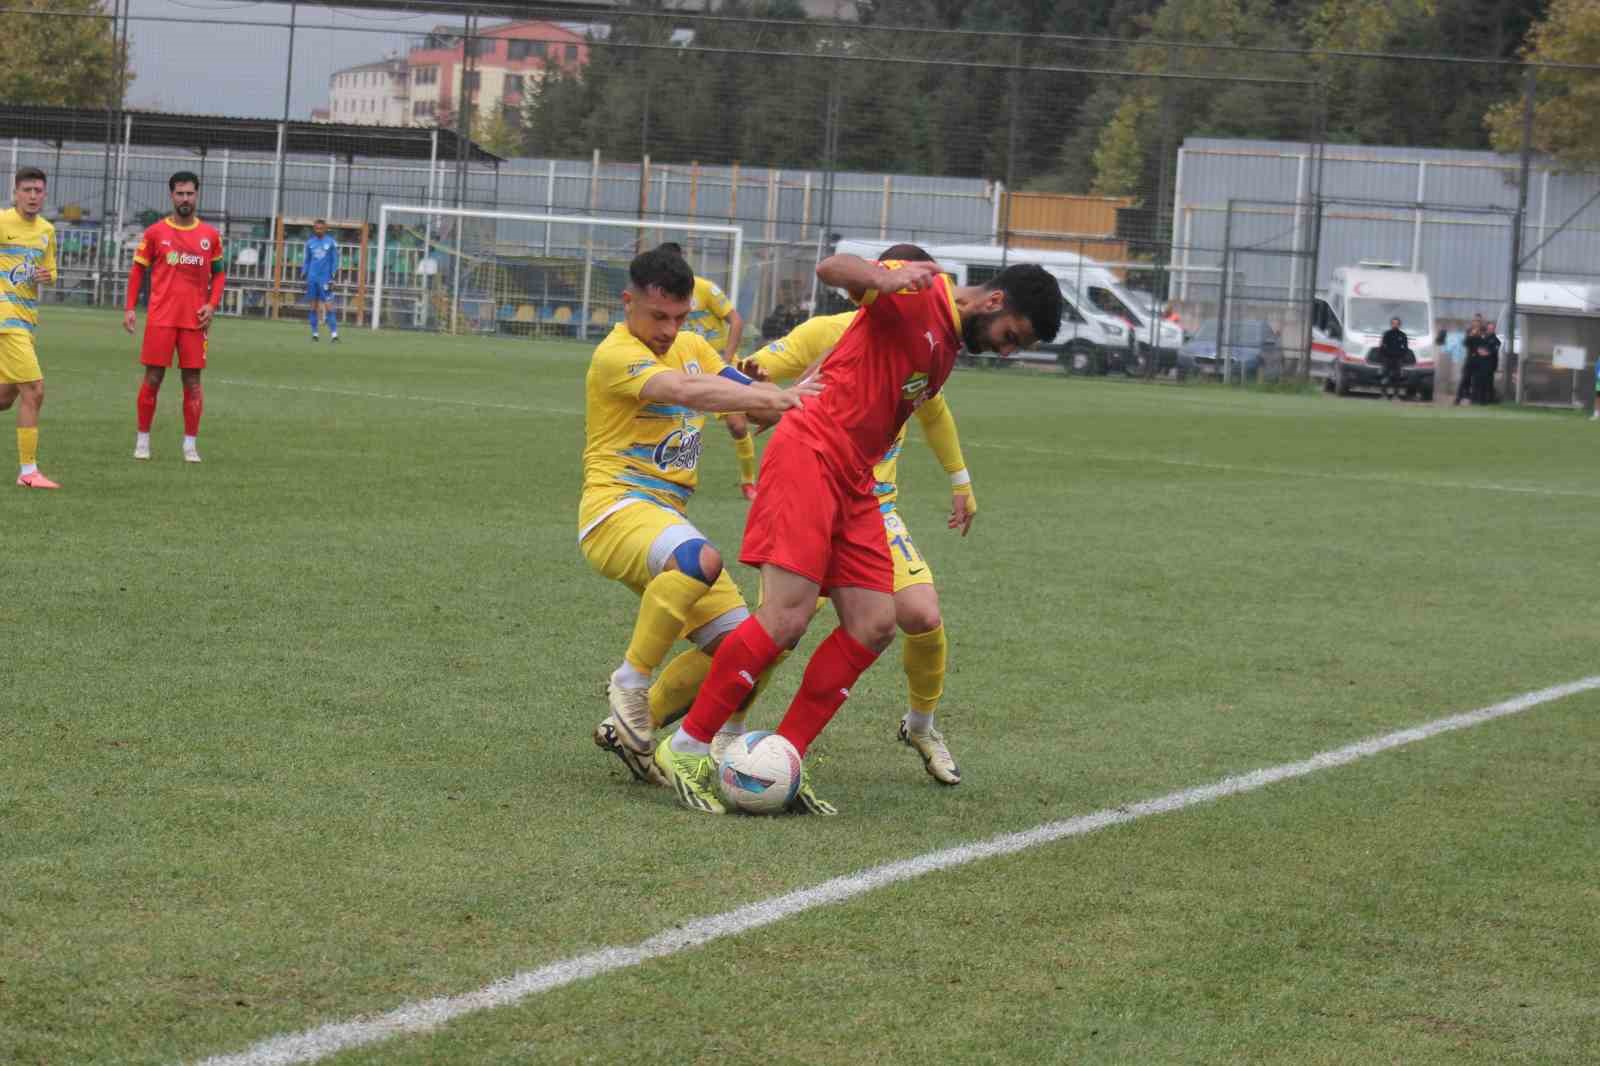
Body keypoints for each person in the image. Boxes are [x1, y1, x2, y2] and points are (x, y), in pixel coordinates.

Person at [651, 252, 1062, 814]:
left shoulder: (947, 342)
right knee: (787, 616)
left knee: (875, 624)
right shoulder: (919, 294)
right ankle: (686, 746)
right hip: (812, 453)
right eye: (1012, 336)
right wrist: (883, 278)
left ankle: (782, 758)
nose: (1008, 350)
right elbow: (830, 268)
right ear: (993, 302)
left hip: (855, 479)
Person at [713, 243, 975, 786]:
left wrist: (960, 480)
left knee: (921, 614)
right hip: (813, 479)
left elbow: (935, 412)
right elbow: (748, 377)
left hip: (872, 504)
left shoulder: (926, 337)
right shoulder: (826, 330)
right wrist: (771, 404)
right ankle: (723, 729)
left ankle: (922, 725)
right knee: (782, 627)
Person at [580, 247, 817, 787]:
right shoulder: (616, 354)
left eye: (680, 317)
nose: (669, 330)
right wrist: (768, 395)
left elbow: (745, 404)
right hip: (615, 507)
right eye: (657, 316)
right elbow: (685, 390)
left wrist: (790, 396)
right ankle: (630, 682)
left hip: (664, 513)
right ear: (628, 302)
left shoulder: (691, 346)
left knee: (758, 646)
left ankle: (632, 732)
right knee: (699, 559)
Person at [124, 170, 225, 464]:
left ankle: (190, 446)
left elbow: (219, 276)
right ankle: (143, 440)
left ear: (197, 195)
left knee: (193, 381)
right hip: (161, 318)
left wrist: (212, 304)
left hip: (195, 320)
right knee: (153, 377)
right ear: (171, 196)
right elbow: (137, 270)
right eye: (180, 193)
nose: (185, 198)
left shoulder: (210, 235)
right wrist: (130, 307)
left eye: (190, 193)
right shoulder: (156, 232)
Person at [657, 242, 754, 500]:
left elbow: (736, 320)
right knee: (671, 420)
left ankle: (748, 482)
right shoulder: (658, 298)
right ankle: (668, 476)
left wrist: (728, 356)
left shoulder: (704, 288)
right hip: (683, 367)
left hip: (715, 365)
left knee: (737, 426)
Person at [0, 166, 59, 489]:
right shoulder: (2, 221)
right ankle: (28, 472)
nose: (33, 196)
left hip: (25, 318)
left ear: (45, 194)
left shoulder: (47, 231)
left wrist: (47, 276)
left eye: (38, 191)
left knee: (6, 397)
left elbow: (50, 270)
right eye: (27, 190)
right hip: (4, 318)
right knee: (35, 390)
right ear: (16, 193)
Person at [304, 219, 339, 343]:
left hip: (325, 279)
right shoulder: (310, 243)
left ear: (325, 229)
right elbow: (307, 260)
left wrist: (333, 275)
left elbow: (335, 260)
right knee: (313, 307)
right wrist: (304, 272)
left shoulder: (331, 243)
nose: (318, 230)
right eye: (316, 228)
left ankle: (334, 335)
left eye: (320, 228)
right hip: (312, 279)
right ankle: (315, 334)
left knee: (329, 307)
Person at [1378, 316, 1409, 401]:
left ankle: (1396, 396)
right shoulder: (1387, 334)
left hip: (1398, 360)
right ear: (1391, 324)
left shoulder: (1403, 335)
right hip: (1387, 359)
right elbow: (1382, 346)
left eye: (1397, 323)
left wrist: (1402, 357)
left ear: (1399, 325)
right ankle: (1384, 395)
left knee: (1397, 378)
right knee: (1385, 377)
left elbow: (1405, 348)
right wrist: (1383, 357)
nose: (1395, 325)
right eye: (1393, 323)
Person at [1456, 316, 1484, 406]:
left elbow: (1485, 344)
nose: (1477, 323)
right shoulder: (1469, 331)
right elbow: (1465, 343)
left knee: (1477, 381)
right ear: (1473, 322)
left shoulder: (1483, 331)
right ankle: (1458, 399)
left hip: (1479, 360)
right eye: (1475, 321)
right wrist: (1471, 335)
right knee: (1465, 379)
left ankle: (1475, 400)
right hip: (1470, 359)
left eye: (1479, 321)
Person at [1475, 320, 1502, 405]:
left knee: (1488, 382)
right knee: (1481, 381)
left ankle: (1489, 400)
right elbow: (1479, 349)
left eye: (1492, 328)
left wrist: (1485, 353)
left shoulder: (1496, 341)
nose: (1490, 330)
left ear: (1494, 329)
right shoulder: (1484, 338)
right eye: (1489, 328)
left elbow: (1491, 352)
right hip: (1482, 364)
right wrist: (1482, 352)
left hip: (1490, 365)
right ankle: (1481, 400)